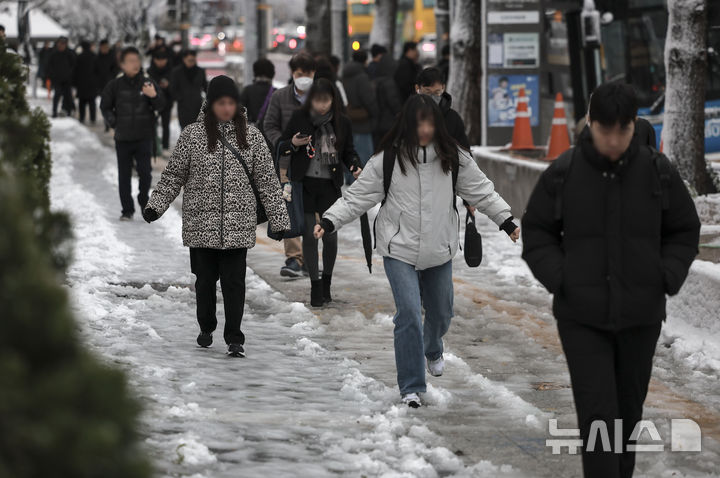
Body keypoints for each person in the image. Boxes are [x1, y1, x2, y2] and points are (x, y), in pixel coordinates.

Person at [521, 82, 700, 478]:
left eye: (623, 130)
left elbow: (685, 230)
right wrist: (562, 278)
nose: (615, 140)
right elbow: (536, 232)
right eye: (606, 131)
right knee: (598, 412)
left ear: (635, 126)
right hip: (581, 317)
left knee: (627, 413)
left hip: (641, 315)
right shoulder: (565, 171)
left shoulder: (657, 171)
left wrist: (665, 276)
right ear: (590, 123)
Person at [314, 95, 520, 408]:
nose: (424, 129)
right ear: (408, 124)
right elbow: (356, 198)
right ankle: (411, 386)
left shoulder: (453, 157)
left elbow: (482, 191)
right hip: (399, 248)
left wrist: (505, 220)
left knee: (441, 312)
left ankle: (433, 347)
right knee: (408, 313)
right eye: (418, 122)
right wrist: (329, 220)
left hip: (439, 248)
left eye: (430, 122)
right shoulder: (388, 159)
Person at [143, 75, 290, 358]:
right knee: (205, 281)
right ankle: (206, 325)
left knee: (235, 284)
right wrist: (156, 205)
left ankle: (235, 337)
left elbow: (267, 182)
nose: (226, 109)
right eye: (221, 103)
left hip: (237, 227)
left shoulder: (253, 136)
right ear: (210, 104)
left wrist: (279, 220)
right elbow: (174, 176)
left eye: (231, 103)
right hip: (201, 226)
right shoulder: (193, 135)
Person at [278, 78, 362, 306]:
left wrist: (354, 165)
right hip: (304, 184)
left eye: (326, 101)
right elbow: (283, 144)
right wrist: (294, 143)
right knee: (309, 235)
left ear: (332, 100)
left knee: (331, 236)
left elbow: (349, 152)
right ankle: (315, 286)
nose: (321, 105)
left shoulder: (341, 122)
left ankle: (326, 282)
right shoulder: (300, 118)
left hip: (329, 186)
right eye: (317, 100)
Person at [263, 52, 317, 278]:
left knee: (314, 210)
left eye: (307, 74)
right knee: (290, 208)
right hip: (288, 161)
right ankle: (294, 258)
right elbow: (269, 124)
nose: (303, 78)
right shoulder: (281, 96)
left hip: (316, 163)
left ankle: (310, 257)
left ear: (314, 74)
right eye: (298, 74)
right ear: (292, 74)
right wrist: (285, 144)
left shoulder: (321, 97)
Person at [100, 46, 166, 221]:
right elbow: (105, 106)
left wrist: (153, 96)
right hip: (123, 138)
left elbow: (161, 105)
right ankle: (127, 210)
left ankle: (143, 198)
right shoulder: (115, 85)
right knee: (124, 176)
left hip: (144, 136)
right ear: (122, 65)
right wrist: (114, 123)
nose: (135, 64)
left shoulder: (147, 82)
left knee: (146, 174)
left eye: (137, 60)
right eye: (130, 61)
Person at [342, 49, 378, 184]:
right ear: (365, 61)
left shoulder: (344, 75)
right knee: (364, 154)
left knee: (351, 151)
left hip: (348, 118)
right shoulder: (362, 77)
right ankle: (362, 182)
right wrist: (374, 112)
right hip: (362, 120)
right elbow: (369, 100)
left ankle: (350, 178)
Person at [170, 49, 208, 129]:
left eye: (193, 60)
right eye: (189, 60)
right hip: (184, 107)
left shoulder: (200, 71)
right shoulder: (176, 72)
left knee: (198, 132)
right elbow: (173, 89)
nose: (191, 62)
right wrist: (180, 98)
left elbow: (206, 87)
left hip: (197, 106)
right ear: (184, 59)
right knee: (185, 131)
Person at [147, 48, 174, 154]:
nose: (161, 62)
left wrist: (168, 86)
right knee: (153, 124)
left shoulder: (171, 71)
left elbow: (175, 87)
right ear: (154, 60)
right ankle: (154, 146)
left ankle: (165, 145)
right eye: (159, 60)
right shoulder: (150, 71)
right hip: (153, 102)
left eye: (163, 60)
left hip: (167, 101)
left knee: (166, 124)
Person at [239, 58, 276, 132]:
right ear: (272, 74)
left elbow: (240, 114)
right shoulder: (276, 92)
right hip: (271, 136)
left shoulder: (247, 90)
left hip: (252, 135)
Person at [373, 53, 402, 146]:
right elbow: (393, 101)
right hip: (388, 120)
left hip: (377, 120)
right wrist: (400, 112)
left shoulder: (375, 80)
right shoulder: (389, 82)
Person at [46, 37, 76, 118]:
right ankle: (54, 111)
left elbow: (73, 65)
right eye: (60, 43)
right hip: (57, 79)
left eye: (63, 44)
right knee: (57, 94)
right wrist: (51, 76)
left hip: (67, 79)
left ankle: (68, 112)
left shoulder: (69, 53)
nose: (61, 45)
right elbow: (49, 65)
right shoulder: (53, 53)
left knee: (68, 96)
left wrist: (70, 75)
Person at [74, 41, 99, 124]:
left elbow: (75, 71)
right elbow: (98, 70)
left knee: (82, 102)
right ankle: (93, 119)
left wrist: (75, 82)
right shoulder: (95, 56)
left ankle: (82, 118)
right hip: (92, 83)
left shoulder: (79, 57)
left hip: (81, 83)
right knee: (92, 102)